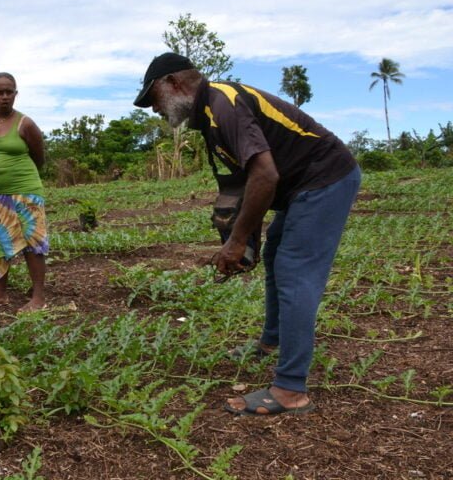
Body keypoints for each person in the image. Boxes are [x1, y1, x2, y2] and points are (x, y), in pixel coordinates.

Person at [134, 53, 361, 416]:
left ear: (174, 84)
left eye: (153, 98)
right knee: (274, 257)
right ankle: (271, 342)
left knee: (294, 270)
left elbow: (265, 176)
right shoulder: (209, 116)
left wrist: (237, 241)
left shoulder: (224, 104)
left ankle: (290, 390)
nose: (154, 109)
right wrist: (243, 242)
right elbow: (240, 187)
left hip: (324, 178)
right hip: (303, 185)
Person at [0, 72, 49, 313]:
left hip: (24, 191)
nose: (5, 96)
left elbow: (39, 158)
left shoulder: (25, 123)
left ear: (16, 94)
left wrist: (19, 179)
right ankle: (0, 295)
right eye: (0, 92)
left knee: (33, 243)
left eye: (10, 92)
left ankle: (38, 297)